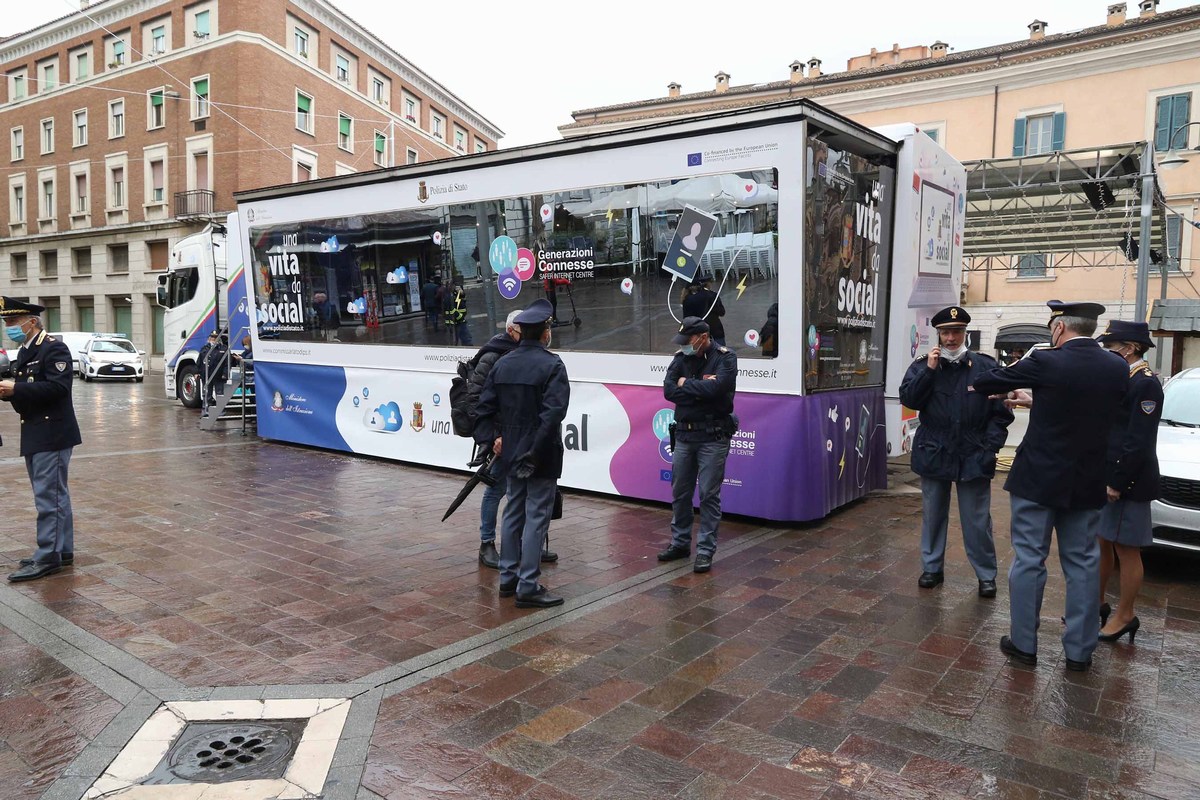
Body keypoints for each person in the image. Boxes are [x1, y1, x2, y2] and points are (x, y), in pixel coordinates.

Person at [972, 300, 1128, 672]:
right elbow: (1087, 405)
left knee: (1029, 560)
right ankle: (1079, 651)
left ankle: (1024, 644)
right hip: (1088, 479)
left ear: (1058, 328)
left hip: (1039, 478)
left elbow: (986, 382)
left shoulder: (1045, 361)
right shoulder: (1116, 366)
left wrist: (1030, 383)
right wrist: (1039, 394)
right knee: (1084, 564)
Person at [899, 306, 1013, 598]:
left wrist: (990, 447)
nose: (951, 338)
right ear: (938, 334)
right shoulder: (923, 365)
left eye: (957, 332)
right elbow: (910, 399)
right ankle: (932, 568)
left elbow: (1000, 414)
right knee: (933, 514)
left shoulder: (985, 367)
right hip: (935, 449)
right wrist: (929, 371)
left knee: (976, 520)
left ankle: (986, 574)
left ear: (965, 333)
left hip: (974, 451)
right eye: (946, 332)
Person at [474, 298, 570, 608]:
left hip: (512, 453)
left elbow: (484, 408)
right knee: (535, 517)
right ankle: (528, 584)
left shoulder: (504, 363)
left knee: (514, 512)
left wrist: (493, 440)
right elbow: (553, 414)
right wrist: (534, 449)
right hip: (540, 455)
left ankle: (508, 579)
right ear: (544, 332)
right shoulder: (552, 365)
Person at [0, 298, 82, 583]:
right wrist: (10, 392)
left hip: (52, 433)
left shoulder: (53, 347)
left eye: (12, 322)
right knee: (55, 495)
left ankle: (48, 556)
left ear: (31, 322)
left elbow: (59, 388)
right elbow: (28, 393)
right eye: (6, 322)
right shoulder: (25, 351)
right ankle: (62, 550)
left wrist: (16, 390)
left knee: (49, 497)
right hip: (35, 432)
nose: (8, 327)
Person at [1095, 320, 1162, 644]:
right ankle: (1096, 603)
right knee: (1102, 540)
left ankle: (1126, 614)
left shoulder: (1145, 384)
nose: (1109, 352)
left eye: (1113, 346)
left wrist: (1118, 481)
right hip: (1112, 474)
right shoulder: (1126, 378)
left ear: (1131, 348)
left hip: (1129, 481)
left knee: (1127, 549)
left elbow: (1138, 439)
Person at [657, 316, 738, 574]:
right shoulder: (681, 358)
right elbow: (669, 390)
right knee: (680, 492)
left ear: (703, 337)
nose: (684, 345)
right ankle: (680, 543)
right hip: (684, 437)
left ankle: (705, 550)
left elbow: (719, 389)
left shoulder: (726, 357)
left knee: (708, 495)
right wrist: (702, 386)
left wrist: (687, 385)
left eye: (688, 340)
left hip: (712, 437)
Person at [681, 274, 727, 346]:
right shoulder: (712, 295)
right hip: (715, 329)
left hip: (697, 332)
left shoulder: (686, 300)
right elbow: (722, 312)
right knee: (720, 353)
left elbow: (686, 319)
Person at [444, 277, 473, 346]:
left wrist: (462, 293)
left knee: (458, 341)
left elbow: (462, 300)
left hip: (457, 322)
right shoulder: (450, 297)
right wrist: (460, 317)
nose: (459, 289)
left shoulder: (454, 296)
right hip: (458, 322)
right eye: (457, 288)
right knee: (466, 340)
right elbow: (452, 310)